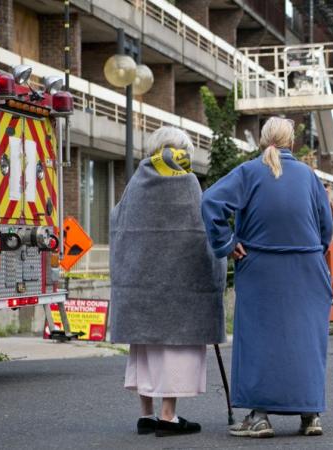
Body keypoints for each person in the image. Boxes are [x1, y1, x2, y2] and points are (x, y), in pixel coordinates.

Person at [201, 117, 333, 438]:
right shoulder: (308, 176)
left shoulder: (249, 172)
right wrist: (311, 251)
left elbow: (210, 201)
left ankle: (259, 416)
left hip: (261, 266)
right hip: (306, 266)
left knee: (260, 340)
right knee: (305, 340)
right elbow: (326, 227)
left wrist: (227, 243)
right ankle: (310, 413)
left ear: (263, 141)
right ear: (291, 142)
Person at [109, 126, 226, 437]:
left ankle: (146, 415)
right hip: (180, 290)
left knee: (144, 349)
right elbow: (203, 232)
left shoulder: (136, 183)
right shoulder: (186, 182)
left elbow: (117, 223)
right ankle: (168, 416)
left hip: (139, 287)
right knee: (174, 350)